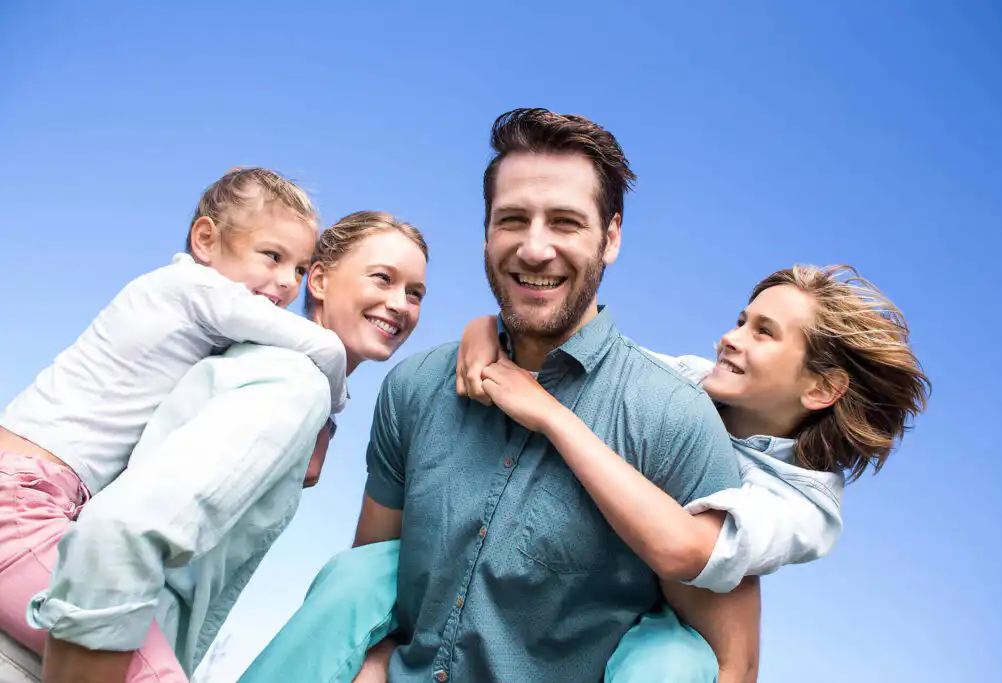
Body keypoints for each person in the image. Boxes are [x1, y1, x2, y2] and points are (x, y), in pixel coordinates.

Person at [242, 107, 747, 683]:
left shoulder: (675, 420)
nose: (534, 248)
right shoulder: (415, 388)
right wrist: (375, 660)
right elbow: (374, 578)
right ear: (486, 231)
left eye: (565, 223)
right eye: (512, 220)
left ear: (610, 238)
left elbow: (725, 662)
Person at [458, 263, 930, 682]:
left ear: (822, 388)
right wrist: (488, 328)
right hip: (587, 587)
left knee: (669, 664)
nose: (731, 338)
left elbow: (681, 549)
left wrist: (553, 418)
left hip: (663, 631)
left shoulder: (804, 506)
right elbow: (587, 366)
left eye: (764, 333)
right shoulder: (688, 384)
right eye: (741, 321)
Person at [29, 210, 430, 683]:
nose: (399, 304)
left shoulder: (282, 376)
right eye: (382, 278)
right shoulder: (292, 383)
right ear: (319, 280)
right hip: (79, 655)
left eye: (415, 293)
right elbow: (119, 533)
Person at [0, 167, 349, 682]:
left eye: (298, 269)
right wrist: (327, 419)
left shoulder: (182, 307)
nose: (285, 282)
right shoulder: (194, 289)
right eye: (272, 256)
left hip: (35, 497)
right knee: (151, 671)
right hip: (20, 501)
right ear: (205, 239)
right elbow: (324, 346)